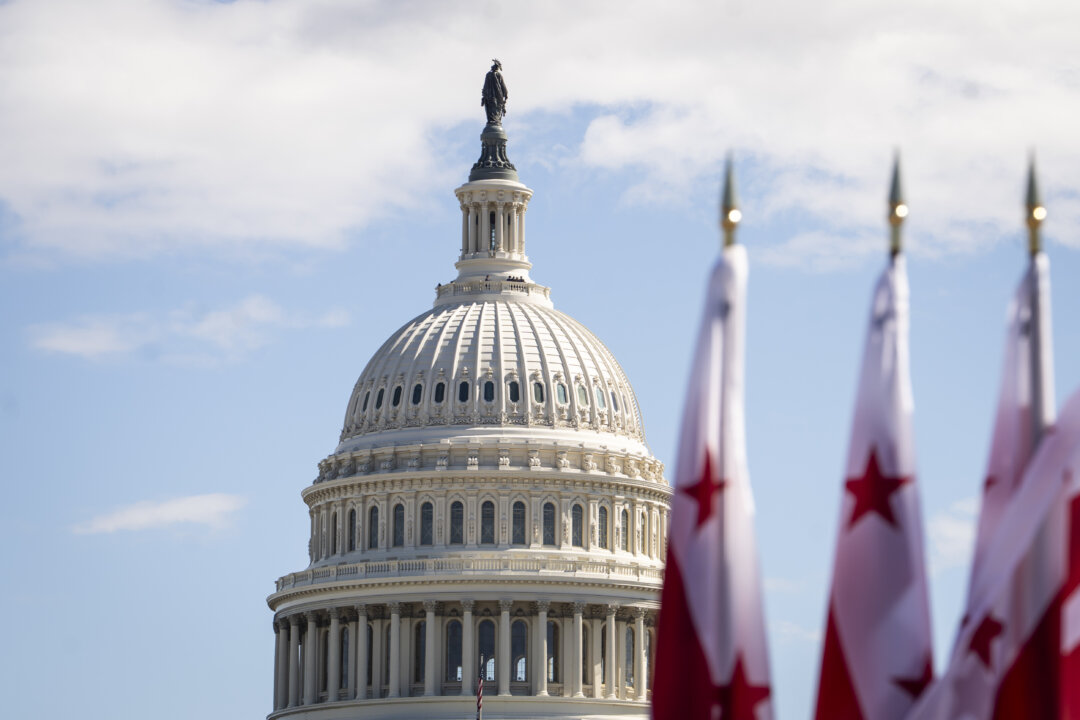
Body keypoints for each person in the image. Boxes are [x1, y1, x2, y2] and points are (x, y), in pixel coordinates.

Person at [481, 59, 508, 124]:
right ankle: (493, 120)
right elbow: (486, 85)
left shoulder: (496, 75)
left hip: (496, 96)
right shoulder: (490, 75)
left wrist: (505, 94)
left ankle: (495, 121)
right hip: (491, 96)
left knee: (495, 108)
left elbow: (502, 85)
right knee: (492, 108)